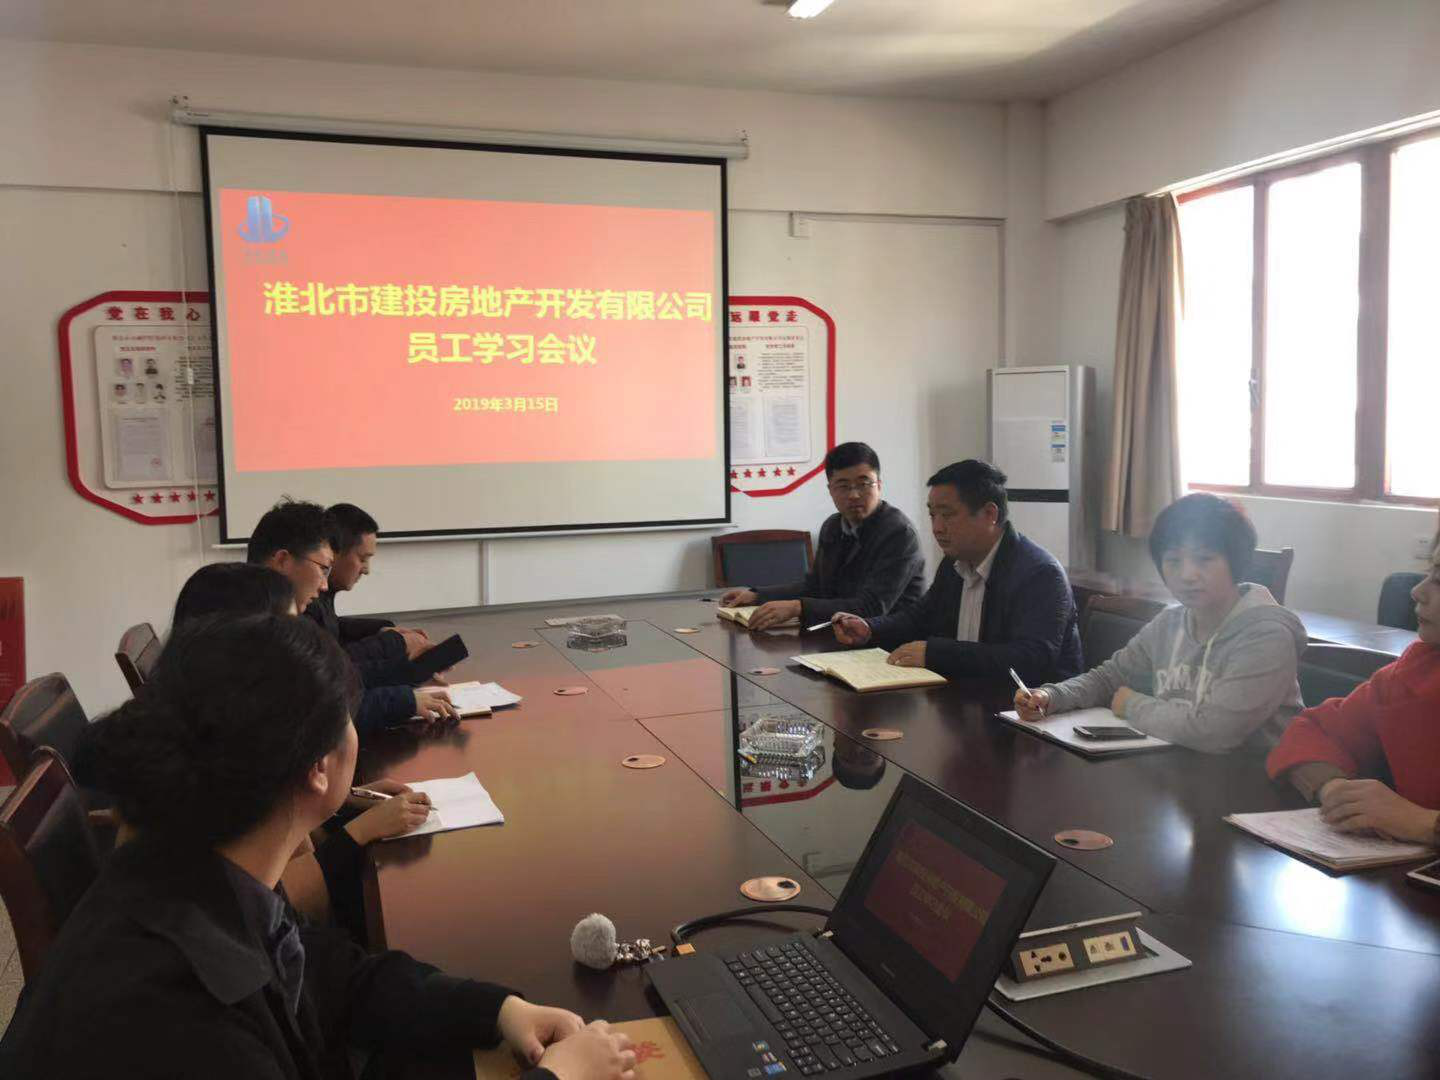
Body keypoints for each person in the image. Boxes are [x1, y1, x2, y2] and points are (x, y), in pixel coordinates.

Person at [0, 614, 637, 1080]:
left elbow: (328, 974)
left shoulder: (193, 863)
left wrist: (497, 1009)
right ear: (318, 769)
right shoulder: (186, 1016)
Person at [1015, 493, 1306, 753]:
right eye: (1174, 561)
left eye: (1204, 559)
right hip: (1181, 772)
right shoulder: (1170, 622)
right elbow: (1108, 678)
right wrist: (1050, 696)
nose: (1188, 575)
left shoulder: (1266, 635)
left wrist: (1131, 704)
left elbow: (1215, 732)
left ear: (1236, 561)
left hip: (1254, 784)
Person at [830, 459, 1081, 685]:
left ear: (990, 514)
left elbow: (1030, 660)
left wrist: (936, 654)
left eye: (947, 515)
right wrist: (870, 628)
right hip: (967, 696)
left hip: (1030, 710)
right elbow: (920, 617)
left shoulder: (1040, 574)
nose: (937, 528)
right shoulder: (954, 562)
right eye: (932, 515)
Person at [1266, 528, 1440, 843]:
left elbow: (1416, 822)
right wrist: (1337, 792)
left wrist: (1423, 823)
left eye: (1439, 580)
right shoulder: (1417, 673)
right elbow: (1312, 731)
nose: (1417, 591)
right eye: (1430, 572)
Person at [248, 498, 457, 730]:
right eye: (323, 568)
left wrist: (408, 672)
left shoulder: (268, 616)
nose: (324, 585)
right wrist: (404, 697)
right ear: (283, 561)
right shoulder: (259, 632)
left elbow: (334, 676)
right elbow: (321, 708)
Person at [719, 442, 925, 631]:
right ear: (830, 490)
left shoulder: (899, 534)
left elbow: (871, 606)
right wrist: (758, 595)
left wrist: (798, 607)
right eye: (843, 486)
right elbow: (816, 586)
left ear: (878, 485)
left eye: (863, 484)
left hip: (890, 640)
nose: (854, 495)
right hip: (841, 633)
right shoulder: (833, 526)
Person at [307, 502, 435, 674]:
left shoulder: (322, 597)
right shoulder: (305, 598)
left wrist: (381, 630)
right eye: (362, 559)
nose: (366, 570)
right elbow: (333, 665)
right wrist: (396, 643)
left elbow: (332, 627)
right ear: (333, 553)